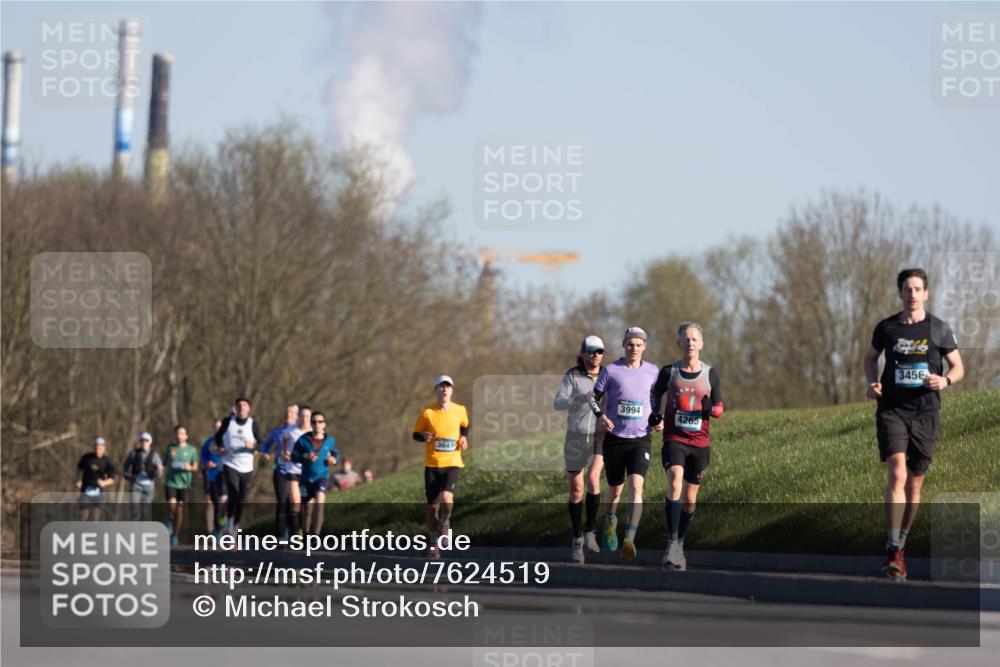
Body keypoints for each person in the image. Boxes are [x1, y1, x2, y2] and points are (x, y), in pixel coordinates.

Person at [863, 268, 963, 580]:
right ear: (900, 293)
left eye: (918, 289)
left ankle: (901, 545)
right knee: (897, 472)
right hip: (892, 409)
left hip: (926, 413)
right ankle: (892, 547)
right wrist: (872, 383)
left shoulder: (939, 329)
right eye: (907, 289)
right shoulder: (887, 328)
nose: (912, 294)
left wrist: (945, 381)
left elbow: (958, 367)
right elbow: (870, 358)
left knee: (915, 484)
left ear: (926, 294)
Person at [651, 322, 724, 570]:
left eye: (694, 339)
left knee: (690, 498)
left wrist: (710, 410)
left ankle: (679, 544)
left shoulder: (711, 374)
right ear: (679, 343)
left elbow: (719, 408)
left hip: (700, 444)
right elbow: (655, 394)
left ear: (701, 344)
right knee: (675, 482)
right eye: (686, 339)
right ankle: (671, 543)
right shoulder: (669, 372)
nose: (690, 343)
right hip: (675, 439)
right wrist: (656, 415)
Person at [587, 327, 660, 561]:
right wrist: (601, 416)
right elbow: (592, 398)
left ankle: (629, 539)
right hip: (615, 439)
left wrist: (658, 419)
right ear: (624, 345)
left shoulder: (653, 371)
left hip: (641, 439)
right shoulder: (611, 370)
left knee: (636, 487)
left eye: (638, 345)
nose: (634, 349)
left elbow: (657, 400)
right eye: (630, 345)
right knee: (615, 489)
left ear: (644, 347)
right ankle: (610, 520)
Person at [554, 334, 607, 563]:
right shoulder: (573, 375)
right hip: (575, 437)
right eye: (591, 351)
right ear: (583, 353)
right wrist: (577, 399)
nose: (595, 356)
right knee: (576, 491)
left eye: (600, 352)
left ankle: (590, 531)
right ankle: (577, 538)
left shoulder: (607, 374)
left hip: (598, 436)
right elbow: (558, 402)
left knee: (594, 480)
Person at [412, 375, 469, 559]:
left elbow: (465, 426)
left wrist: (463, 437)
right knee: (432, 509)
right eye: (441, 387)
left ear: (452, 390)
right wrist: (423, 437)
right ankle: (433, 543)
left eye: (448, 387)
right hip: (432, 465)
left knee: (446, 497)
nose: (444, 390)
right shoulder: (427, 413)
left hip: (452, 462)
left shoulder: (460, 410)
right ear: (435, 390)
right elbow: (416, 434)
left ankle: (445, 522)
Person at [214, 397, 263, 536]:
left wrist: (253, 446)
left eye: (244, 405)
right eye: (239, 405)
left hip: (246, 466)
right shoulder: (228, 422)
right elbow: (218, 438)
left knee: (241, 499)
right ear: (236, 408)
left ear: (249, 408)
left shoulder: (253, 424)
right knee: (233, 494)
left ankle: (236, 524)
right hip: (230, 463)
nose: (241, 407)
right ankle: (229, 524)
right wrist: (221, 447)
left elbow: (262, 444)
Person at [292, 411, 339, 536]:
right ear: (311, 424)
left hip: (321, 477)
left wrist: (334, 460)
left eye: (320, 421)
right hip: (306, 478)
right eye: (314, 422)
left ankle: (315, 536)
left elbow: (336, 454)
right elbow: (293, 457)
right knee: (306, 509)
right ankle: (306, 534)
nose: (317, 424)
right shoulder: (303, 440)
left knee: (319, 502)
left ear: (324, 424)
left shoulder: (330, 441)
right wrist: (305, 456)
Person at [275, 405, 311, 540]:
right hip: (292, 470)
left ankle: (304, 531)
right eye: (302, 416)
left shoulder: (313, 431)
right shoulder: (291, 430)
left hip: (308, 471)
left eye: (307, 416)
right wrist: (285, 453)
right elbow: (283, 441)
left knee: (307, 506)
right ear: (298, 417)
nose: (304, 418)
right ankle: (295, 535)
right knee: (295, 501)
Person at [163, 425, 199, 546]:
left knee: (179, 510)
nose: (179, 435)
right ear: (175, 435)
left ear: (186, 436)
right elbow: (163, 462)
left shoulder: (191, 450)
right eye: (178, 433)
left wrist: (190, 467)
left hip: (184, 484)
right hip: (171, 482)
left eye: (182, 433)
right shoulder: (170, 448)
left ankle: (175, 534)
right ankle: (169, 519)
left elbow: (195, 466)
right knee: (171, 504)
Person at [122, 432, 163, 521]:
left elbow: (160, 472)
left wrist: (157, 471)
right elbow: (126, 465)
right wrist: (126, 474)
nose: (144, 442)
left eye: (146, 440)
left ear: (150, 442)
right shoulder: (133, 453)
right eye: (142, 440)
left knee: (145, 512)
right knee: (134, 511)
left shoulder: (154, 455)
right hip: (135, 485)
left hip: (149, 487)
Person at [76, 436, 116, 521]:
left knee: (94, 519)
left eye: (100, 448)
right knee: (83, 518)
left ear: (104, 448)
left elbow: (112, 479)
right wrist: (78, 479)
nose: (98, 450)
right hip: (85, 491)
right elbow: (79, 469)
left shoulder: (107, 461)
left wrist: (104, 483)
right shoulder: (86, 458)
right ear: (93, 447)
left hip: (98, 493)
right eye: (96, 447)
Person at [200, 419, 226, 535]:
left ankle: (223, 523)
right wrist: (207, 462)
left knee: (223, 501)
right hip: (213, 476)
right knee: (216, 504)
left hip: (225, 475)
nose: (217, 429)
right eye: (215, 427)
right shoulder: (209, 442)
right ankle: (217, 530)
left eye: (219, 427)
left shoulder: (227, 441)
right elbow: (203, 456)